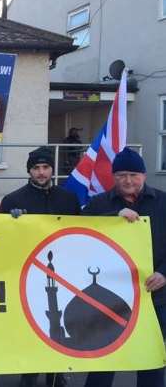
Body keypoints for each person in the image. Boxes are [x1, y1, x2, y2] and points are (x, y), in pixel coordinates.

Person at [82, 148, 166, 387]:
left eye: (133, 174)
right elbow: (78, 231)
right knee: (103, 359)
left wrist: (164, 273)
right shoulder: (99, 204)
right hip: (109, 298)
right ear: (113, 177)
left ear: (144, 175)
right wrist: (113, 216)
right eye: (121, 175)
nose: (128, 180)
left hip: (154, 298)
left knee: (150, 360)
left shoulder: (163, 202)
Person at [1, 146, 79, 387]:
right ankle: (29, 373)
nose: (41, 172)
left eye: (45, 167)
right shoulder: (13, 200)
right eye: (36, 168)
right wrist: (10, 221)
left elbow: (79, 234)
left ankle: (56, 373)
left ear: (52, 169)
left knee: (58, 324)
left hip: (61, 273)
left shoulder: (67, 199)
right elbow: (3, 240)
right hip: (29, 275)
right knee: (31, 326)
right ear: (29, 171)